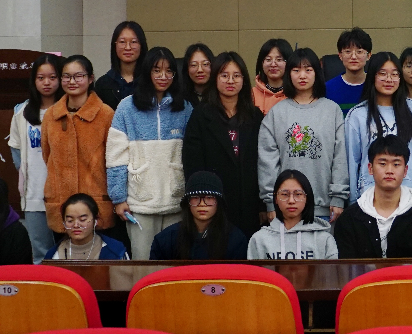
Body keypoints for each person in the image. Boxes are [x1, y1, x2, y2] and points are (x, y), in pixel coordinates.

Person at [107, 47, 192, 260]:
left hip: (176, 202)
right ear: (147, 72)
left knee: (174, 265)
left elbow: (193, 154)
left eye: (169, 71)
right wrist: (118, 198)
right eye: (157, 70)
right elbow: (116, 157)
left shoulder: (185, 108)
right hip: (139, 204)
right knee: (143, 263)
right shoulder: (126, 107)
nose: (163, 76)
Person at [259, 48, 348, 222]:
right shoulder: (277, 113)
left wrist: (338, 197)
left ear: (317, 73)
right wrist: (271, 202)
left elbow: (340, 156)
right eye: (296, 70)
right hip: (286, 208)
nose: (302, 76)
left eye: (308, 70)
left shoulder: (332, 110)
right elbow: (267, 162)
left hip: (324, 208)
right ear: (288, 74)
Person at [183, 51, 265, 238]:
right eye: (224, 75)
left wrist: (263, 204)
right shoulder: (201, 116)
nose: (230, 81)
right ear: (215, 78)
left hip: (250, 205)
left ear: (244, 80)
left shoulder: (255, 116)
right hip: (215, 204)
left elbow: (264, 163)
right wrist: (201, 201)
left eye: (236, 76)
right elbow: (192, 164)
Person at [42, 55, 117, 234]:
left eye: (78, 76)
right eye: (66, 76)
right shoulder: (51, 115)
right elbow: (47, 155)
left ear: (90, 79)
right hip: (61, 201)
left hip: (96, 201)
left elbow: (114, 159)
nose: (72, 81)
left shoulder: (105, 114)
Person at [334, 135, 412, 258]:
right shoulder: (349, 218)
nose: (389, 170)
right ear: (370, 168)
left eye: (396, 164)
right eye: (383, 164)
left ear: (405, 170)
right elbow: (346, 266)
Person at [345, 52, 412, 204]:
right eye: (382, 74)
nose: (389, 79)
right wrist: (354, 201)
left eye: (394, 74)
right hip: (370, 195)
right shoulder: (358, 115)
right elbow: (352, 162)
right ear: (372, 76)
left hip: (409, 193)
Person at [7, 53, 62, 263]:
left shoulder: (68, 108)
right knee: (40, 252)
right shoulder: (21, 112)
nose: (47, 83)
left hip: (65, 192)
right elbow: (15, 148)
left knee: (68, 250)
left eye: (52, 77)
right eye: (41, 78)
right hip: (34, 193)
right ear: (33, 80)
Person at [150, 171, 248, 260]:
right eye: (195, 198)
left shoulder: (236, 240)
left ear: (219, 203)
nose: (202, 204)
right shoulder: (166, 239)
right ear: (187, 203)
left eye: (209, 198)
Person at [247, 170, 338, 260]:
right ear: (275, 199)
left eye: (298, 194)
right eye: (284, 194)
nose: (291, 201)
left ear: (307, 198)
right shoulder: (259, 239)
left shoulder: (324, 239)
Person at [46, 193, 129, 260]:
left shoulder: (115, 251)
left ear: (95, 220)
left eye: (82, 220)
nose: (76, 225)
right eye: (70, 220)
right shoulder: (54, 254)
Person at [95, 21, 147, 110]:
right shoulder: (103, 84)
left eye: (133, 42)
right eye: (122, 42)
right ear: (114, 45)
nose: (128, 47)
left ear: (141, 45)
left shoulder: (150, 81)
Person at [326, 27, 373, 117]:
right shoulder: (328, 89)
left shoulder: (376, 85)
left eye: (359, 52)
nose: (353, 57)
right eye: (348, 51)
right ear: (340, 55)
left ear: (368, 55)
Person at [252, 38, 293, 115]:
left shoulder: (294, 94)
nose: (273, 64)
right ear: (262, 63)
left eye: (279, 59)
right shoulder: (251, 95)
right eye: (268, 59)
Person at [182, 43, 214, 107]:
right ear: (187, 69)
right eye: (193, 65)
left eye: (205, 64)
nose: (200, 70)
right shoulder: (180, 99)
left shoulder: (221, 97)